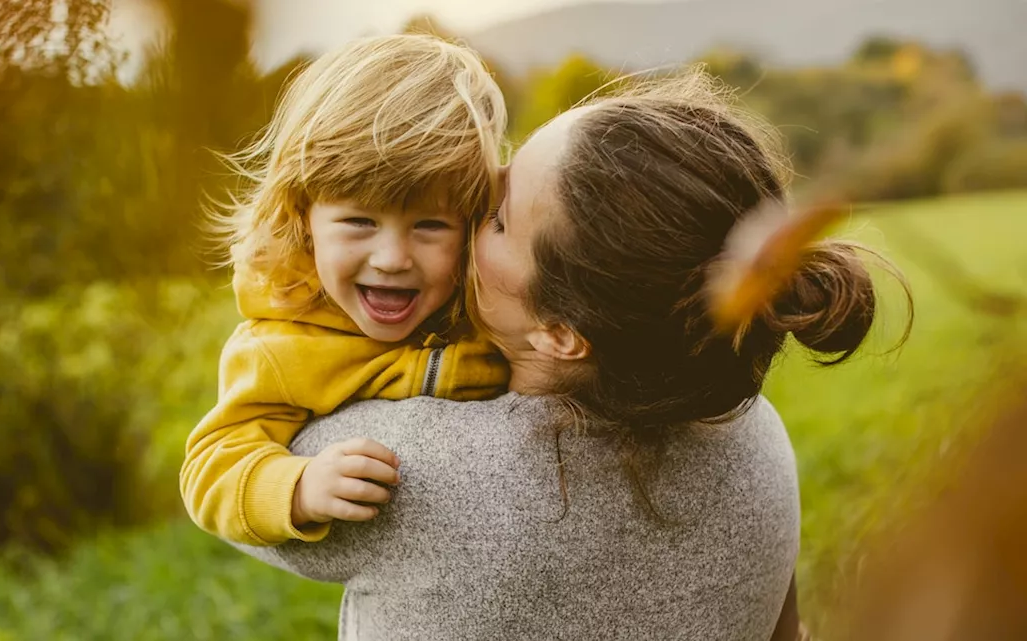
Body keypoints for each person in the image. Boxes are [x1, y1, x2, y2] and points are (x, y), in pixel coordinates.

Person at [234, 68, 909, 640]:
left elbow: (234, 484)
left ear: (561, 332)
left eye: (495, 217)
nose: (469, 204)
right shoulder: (755, 432)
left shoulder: (398, 465)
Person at [179, 33, 511, 548]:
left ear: (471, 225)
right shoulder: (282, 346)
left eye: (429, 226)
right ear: (302, 218)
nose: (392, 259)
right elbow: (211, 466)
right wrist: (298, 488)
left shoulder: (491, 301)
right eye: (359, 222)